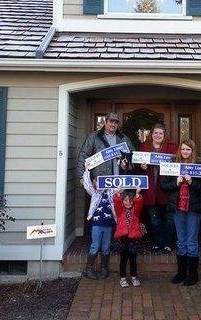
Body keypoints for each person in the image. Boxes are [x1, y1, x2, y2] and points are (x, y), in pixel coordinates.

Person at [76, 112, 135, 278]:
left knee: (119, 213)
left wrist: (127, 163)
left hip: (118, 186)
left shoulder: (124, 138)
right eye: (110, 121)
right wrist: (83, 177)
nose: (113, 124)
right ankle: (95, 259)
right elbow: (83, 157)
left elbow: (132, 157)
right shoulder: (94, 137)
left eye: (116, 122)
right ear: (105, 122)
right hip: (100, 185)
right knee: (100, 216)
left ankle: (113, 245)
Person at [161, 139, 201, 286]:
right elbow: (163, 186)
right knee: (181, 240)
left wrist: (192, 182)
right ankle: (181, 272)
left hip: (193, 209)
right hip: (178, 208)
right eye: (183, 149)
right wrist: (175, 183)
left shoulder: (200, 165)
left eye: (188, 150)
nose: (185, 152)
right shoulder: (172, 164)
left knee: (191, 241)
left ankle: (193, 274)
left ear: (192, 151)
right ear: (179, 150)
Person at [138, 123, 177, 253]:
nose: (158, 135)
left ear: (164, 134)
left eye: (160, 133)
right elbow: (137, 167)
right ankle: (157, 242)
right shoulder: (144, 147)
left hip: (166, 189)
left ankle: (167, 243)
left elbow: (178, 164)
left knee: (168, 219)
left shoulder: (172, 147)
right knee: (154, 219)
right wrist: (142, 167)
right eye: (156, 133)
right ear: (152, 134)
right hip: (150, 189)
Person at [81, 163, 117, 279]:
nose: (100, 184)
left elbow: (120, 185)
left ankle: (104, 269)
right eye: (97, 182)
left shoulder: (111, 193)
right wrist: (86, 170)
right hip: (97, 225)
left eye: (103, 182)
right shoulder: (95, 194)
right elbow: (87, 185)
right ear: (95, 184)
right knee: (95, 246)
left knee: (106, 247)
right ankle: (88, 269)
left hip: (109, 225)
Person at [113, 186, 143, 287]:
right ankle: (123, 278)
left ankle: (134, 277)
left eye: (130, 201)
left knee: (133, 259)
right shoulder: (120, 211)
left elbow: (138, 203)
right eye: (125, 200)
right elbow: (117, 203)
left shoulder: (136, 212)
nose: (128, 203)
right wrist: (117, 194)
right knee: (123, 259)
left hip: (133, 238)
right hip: (123, 238)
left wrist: (138, 194)